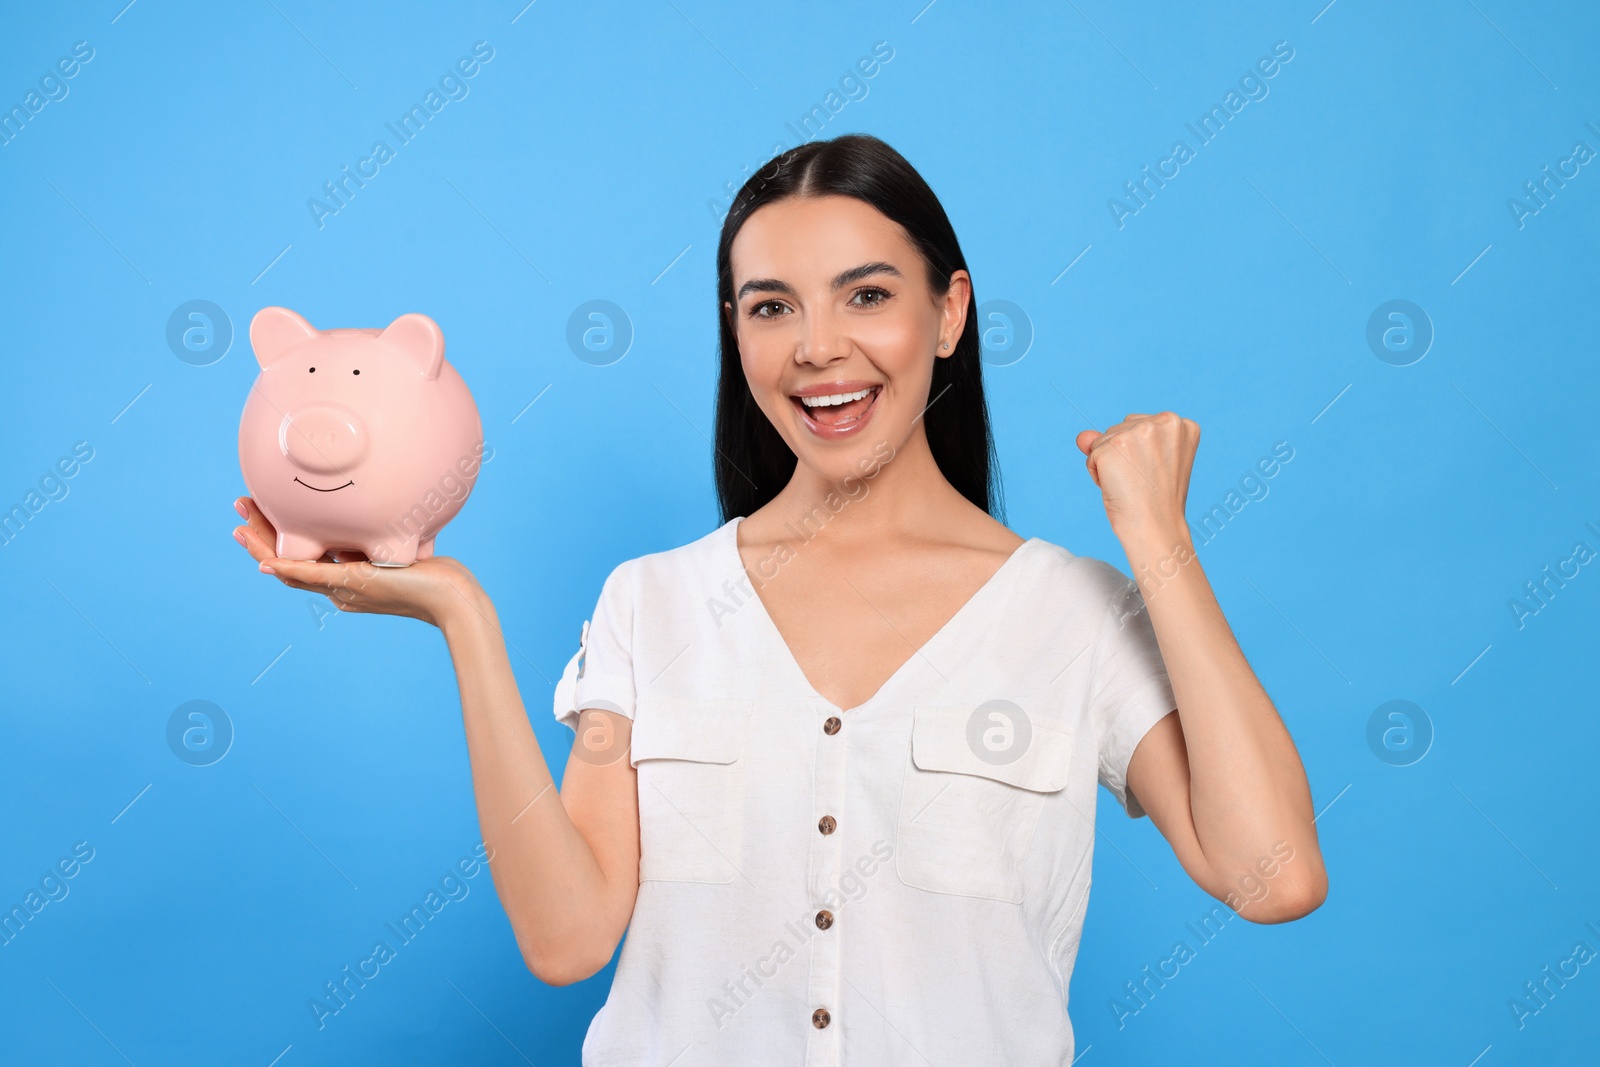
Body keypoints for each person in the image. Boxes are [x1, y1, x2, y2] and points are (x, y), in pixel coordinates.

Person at [232, 133, 1326, 1065]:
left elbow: (1270, 875)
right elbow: (568, 939)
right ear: (736, 330)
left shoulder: (1073, 612)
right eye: (771, 306)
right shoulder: (651, 602)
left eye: (867, 295)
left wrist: (1159, 542)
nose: (817, 348)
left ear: (949, 314)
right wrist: (463, 621)